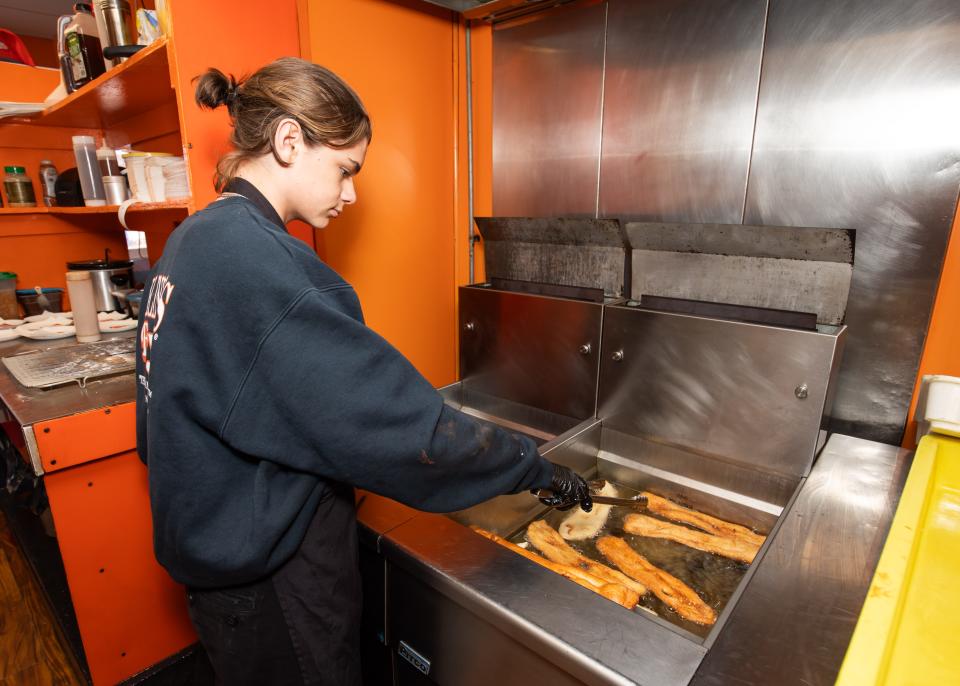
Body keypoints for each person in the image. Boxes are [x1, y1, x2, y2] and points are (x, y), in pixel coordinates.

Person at [134, 57, 593, 686]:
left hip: (215, 565)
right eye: (346, 169)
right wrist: (532, 467)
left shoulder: (192, 242)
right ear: (289, 141)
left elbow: (153, 420)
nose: (350, 193)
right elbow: (409, 431)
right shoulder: (263, 268)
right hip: (274, 579)